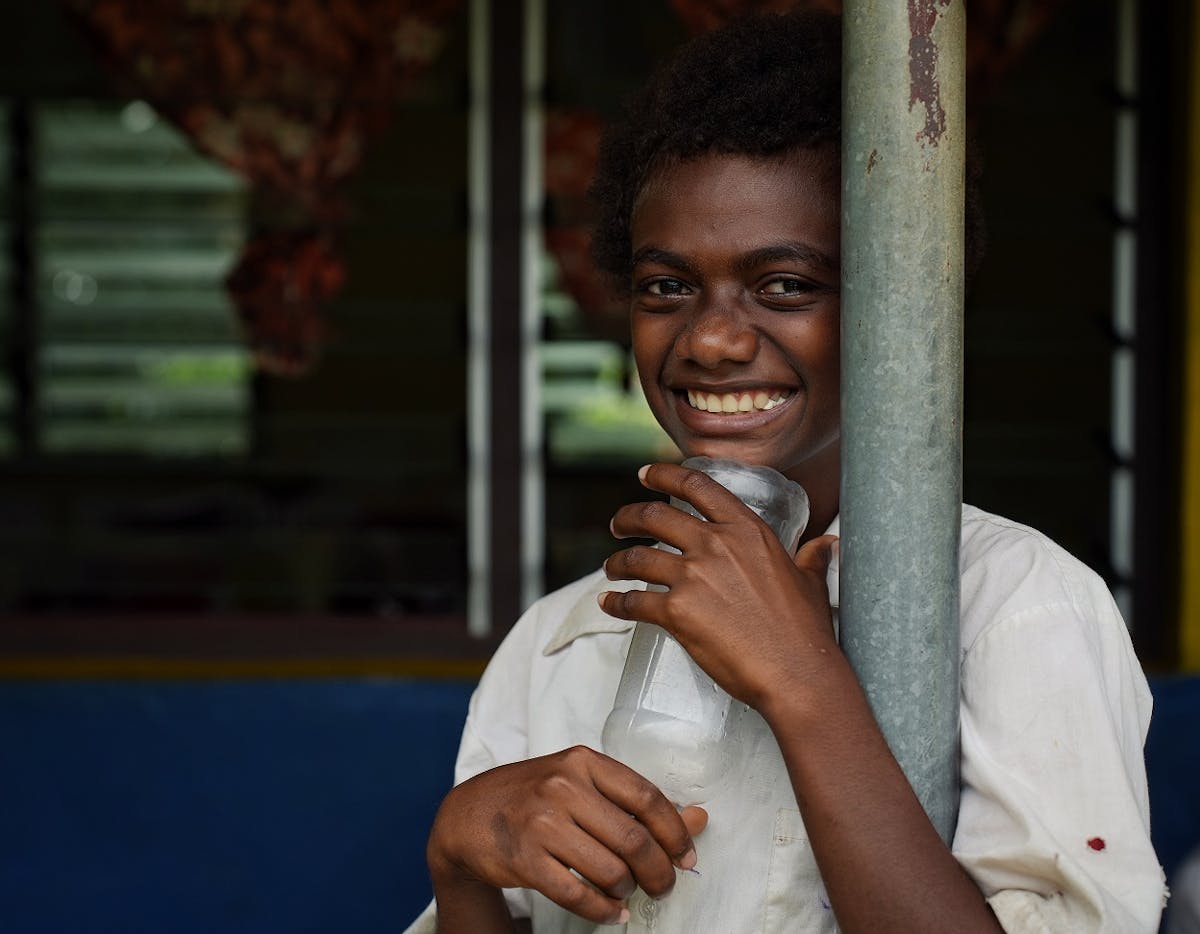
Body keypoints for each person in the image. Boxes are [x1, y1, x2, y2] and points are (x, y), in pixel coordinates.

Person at [406, 10, 1166, 933]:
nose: (714, 340)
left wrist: (804, 684)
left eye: (786, 286)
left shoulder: (1015, 606)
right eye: (668, 287)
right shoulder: (563, 640)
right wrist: (462, 868)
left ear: (900, 300)